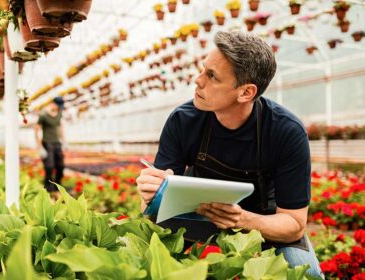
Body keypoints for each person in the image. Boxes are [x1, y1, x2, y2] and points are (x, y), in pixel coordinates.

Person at [136, 31, 323, 278]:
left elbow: (293, 226)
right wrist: (151, 193)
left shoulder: (286, 132)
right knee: (144, 262)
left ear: (246, 92)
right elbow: (150, 212)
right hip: (197, 215)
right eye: (203, 69)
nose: (197, 80)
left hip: (261, 223)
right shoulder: (183, 120)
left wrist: (242, 220)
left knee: (306, 272)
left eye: (211, 76)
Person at [35, 96, 66, 194]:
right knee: (49, 166)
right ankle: (48, 188)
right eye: (58, 106)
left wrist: (64, 141)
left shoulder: (59, 114)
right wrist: (39, 147)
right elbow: (36, 130)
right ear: (53, 104)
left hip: (57, 143)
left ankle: (58, 186)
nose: (59, 108)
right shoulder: (43, 115)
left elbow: (60, 127)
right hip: (47, 143)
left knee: (60, 165)